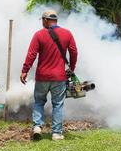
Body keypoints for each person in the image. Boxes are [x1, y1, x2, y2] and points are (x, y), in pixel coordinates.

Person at [20, 10, 78, 141]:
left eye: (42, 20)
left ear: (46, 20)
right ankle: (56, 133)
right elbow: (74, 52)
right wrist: (71, 68)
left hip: (42, 76)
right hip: (59, 77)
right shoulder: (67, 33)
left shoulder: (39, 35)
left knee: (39, 102)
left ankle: (37, 127)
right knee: (58, 104)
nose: (42, 23)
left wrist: (25, 70)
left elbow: (31, 54)